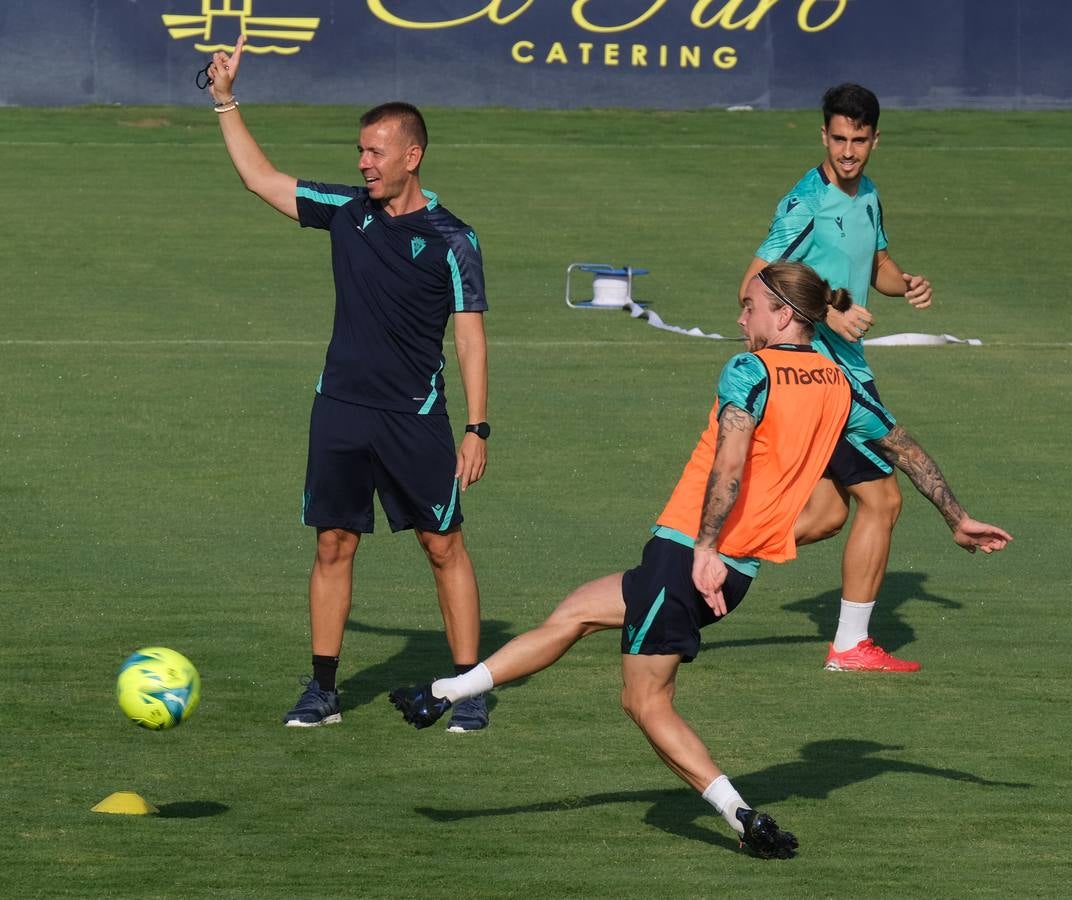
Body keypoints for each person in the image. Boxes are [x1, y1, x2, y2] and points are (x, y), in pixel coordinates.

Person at [390, 262, 1012, 857]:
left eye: (751, 307)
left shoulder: (751, 372)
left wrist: (706, 548)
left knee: (644, 702)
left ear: (786, 315)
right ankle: (444, 692)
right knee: (576, 612)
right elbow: (904, 448)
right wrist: (956, 517)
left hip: (690, 557)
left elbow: (731, 464)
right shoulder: (839, 384)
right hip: (715, 565)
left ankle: (740, 816)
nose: (742, 319)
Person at [203, 36, 492, 731]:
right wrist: (224, 101)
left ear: (411, 155)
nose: (363, 162)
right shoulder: (346, 210)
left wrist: (476, 427)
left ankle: (467, 686)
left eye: (375, 151)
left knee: (441, 543)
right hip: (340, 409)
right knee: (332, 542)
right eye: (361, 151)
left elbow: (470, 336)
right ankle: (324, 690)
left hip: (414, 416)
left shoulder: (454, 238)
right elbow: (260, 179)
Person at [738, 82, 934, 673]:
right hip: (819, 379)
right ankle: (849, 646)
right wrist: (828, 310)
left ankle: (714, 551)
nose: (849, 152)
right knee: (885, 500)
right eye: (839, 139)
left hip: (846, 371)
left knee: (826, 515)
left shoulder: (868, 194)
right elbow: (756, 284)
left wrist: (907, 284)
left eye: (860, 140)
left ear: (875, 139)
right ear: (823, 134)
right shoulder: (805, 202)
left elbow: (875, 262)